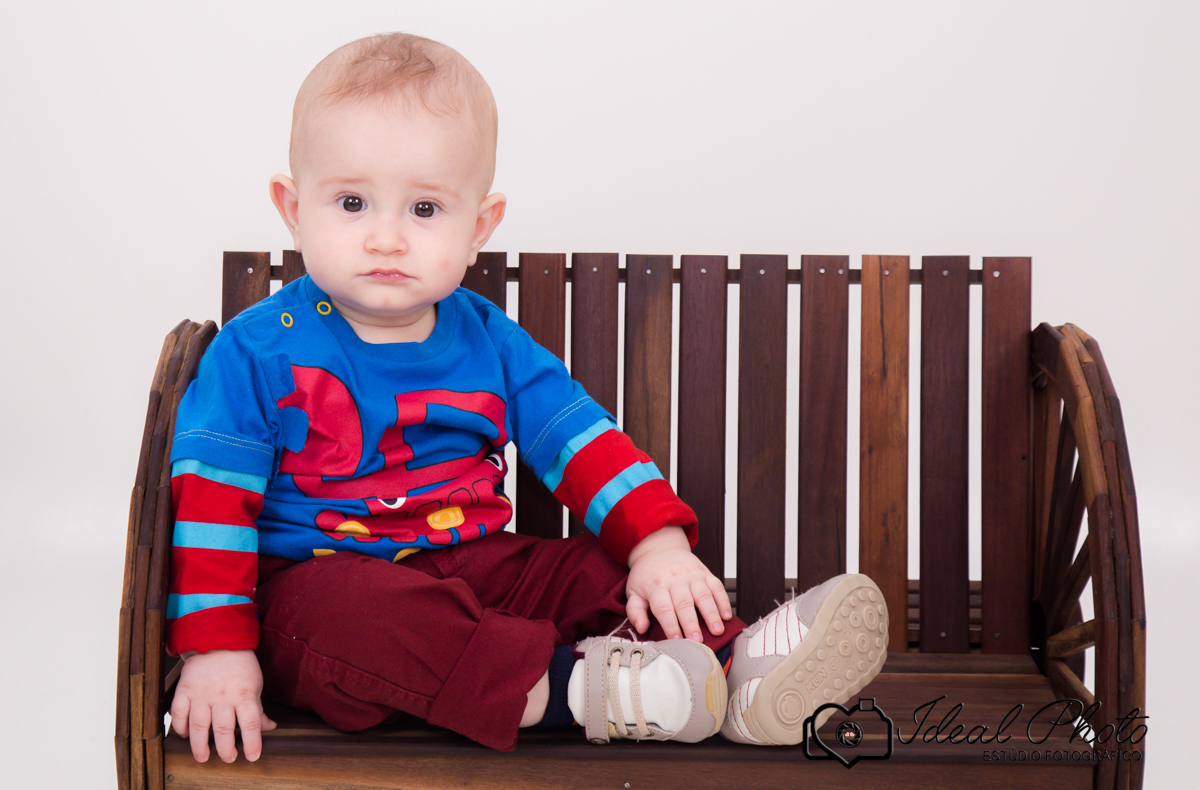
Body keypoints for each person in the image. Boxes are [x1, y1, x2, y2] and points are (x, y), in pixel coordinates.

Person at [165, 32, 889, 764]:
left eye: (424, 209)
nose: (386, 237)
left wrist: (657, 546)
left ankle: (738, 671)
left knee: (595, 575)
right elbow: (209, 500)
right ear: (293, 208)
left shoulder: (487, 340)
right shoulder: (255, 351)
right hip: (316, 585)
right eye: (351, 202)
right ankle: (572, 692)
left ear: (478, 227)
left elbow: (576, 437)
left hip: (477, 564)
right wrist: (215, 649)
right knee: (355, 622)